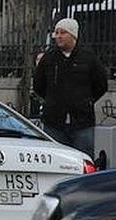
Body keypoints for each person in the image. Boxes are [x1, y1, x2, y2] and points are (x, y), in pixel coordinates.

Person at [32, 17, 108, 155]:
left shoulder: (88, 57)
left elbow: (101, 84)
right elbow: (38, 85)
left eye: (63, 33)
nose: (58, 36)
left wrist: (86, 101)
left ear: (73, 35)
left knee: (84, 158)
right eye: (57, 32)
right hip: (54, 123)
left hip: (82, 123)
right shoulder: (49, 58)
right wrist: (52, 100)